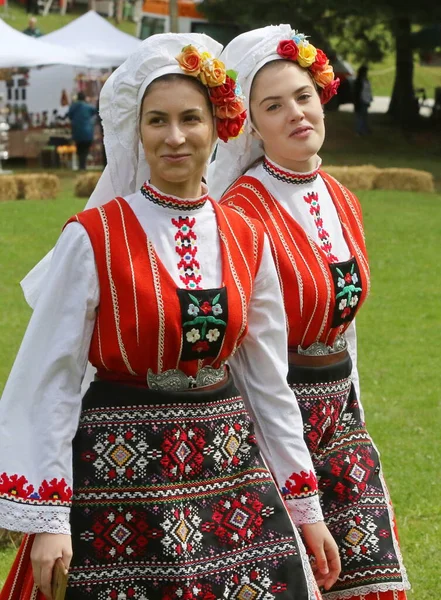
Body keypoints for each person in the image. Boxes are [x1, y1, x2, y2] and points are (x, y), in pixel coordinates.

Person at [0, 33, 340, 600]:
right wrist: (50, 521)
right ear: (137, 130)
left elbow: (266, 381)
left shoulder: (246, 236)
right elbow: (50, 376)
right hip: (119, 471)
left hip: (228, 468)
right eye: (158, 120)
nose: (176, 137)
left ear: (218, 127)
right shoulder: (95, 236)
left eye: (191, 119)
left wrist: (304, 507)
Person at [209, 24, 410, 600]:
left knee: (373, 573)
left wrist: (357, 412)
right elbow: (248, 348)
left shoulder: (343, 198)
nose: (296, 113)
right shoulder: (241, 209)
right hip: (269, 414)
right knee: (299, 578)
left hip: (340, 413)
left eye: (301, 96)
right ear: (251, 124)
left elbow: (348, 334)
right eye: (273, 105)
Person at [67, 91, 97, 171]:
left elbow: (69, 116)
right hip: (87, 131)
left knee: (79, 149)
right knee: (85, 150)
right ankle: (83, 166)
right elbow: (96, 111)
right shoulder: (88, 106)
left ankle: (81, 166)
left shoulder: (73, 107)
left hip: (76, 131)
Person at [353, 65, 373, 135]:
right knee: (360, 116)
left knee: (364, 116)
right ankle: (359, 130)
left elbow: (368, 90)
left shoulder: (366, 80)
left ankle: (364, 129)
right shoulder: (359, 81)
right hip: (361, 100)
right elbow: (357, 92)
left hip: (366, 100)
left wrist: (370, 98)